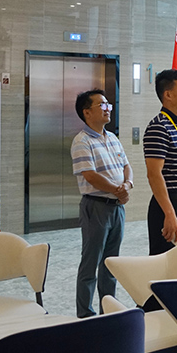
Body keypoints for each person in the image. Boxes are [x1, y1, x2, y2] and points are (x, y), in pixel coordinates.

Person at [72, 89, 132, 318]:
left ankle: (108, 310)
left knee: (111, 263)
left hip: (117, 208)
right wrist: (117, 190)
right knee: (91, 263)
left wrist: (127, 185)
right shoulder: (82, 141)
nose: (108, 109)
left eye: (108, 105)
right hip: (96, 207)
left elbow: (126, 166)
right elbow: (90, 175)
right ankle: (85, 315)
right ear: (87, 112)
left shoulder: (112, 138)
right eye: (102, 105)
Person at [143, 69, 177, 255]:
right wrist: (169, 213)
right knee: (167, 263)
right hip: (171, 205)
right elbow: (154, 174)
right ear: (168, 94)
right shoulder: (159, 126)